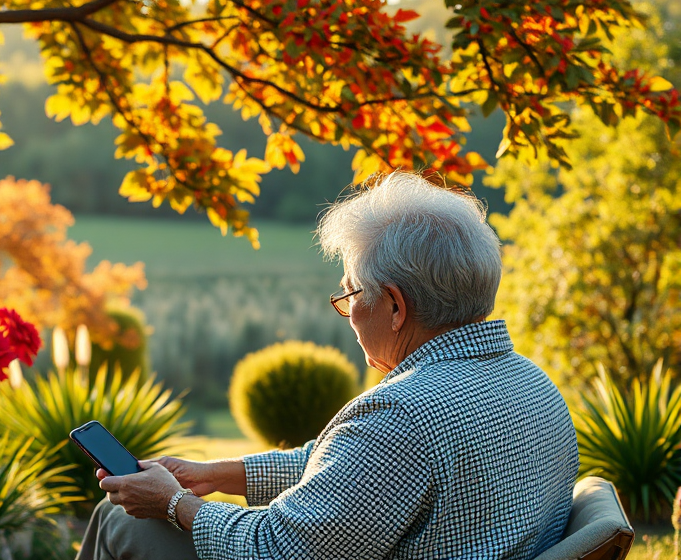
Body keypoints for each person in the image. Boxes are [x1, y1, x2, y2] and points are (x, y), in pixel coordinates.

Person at [75, 172, 579, 560]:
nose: (345, 308)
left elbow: (277, 547)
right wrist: (217, 474)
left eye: (351, 292)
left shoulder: (403, 416)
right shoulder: (531, 383)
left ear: (396, 306)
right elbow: (352, 476)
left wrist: (171, 503)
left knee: (122, 520)